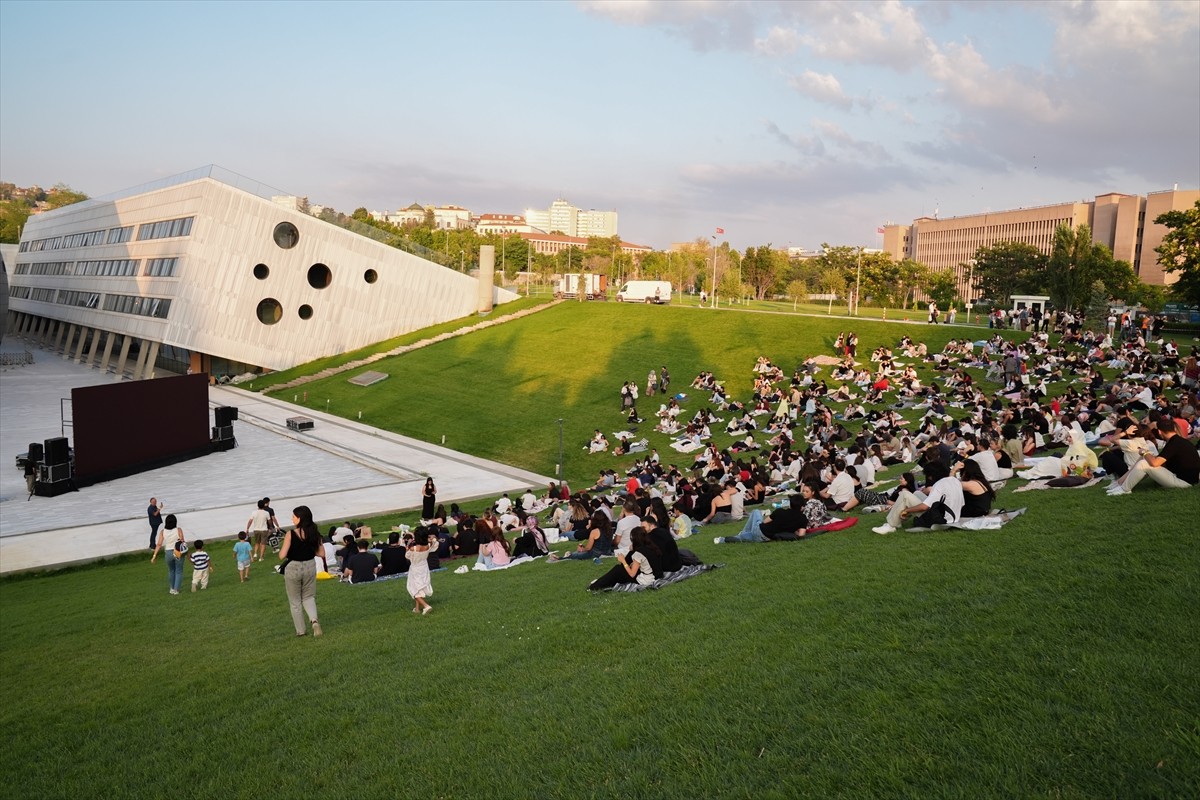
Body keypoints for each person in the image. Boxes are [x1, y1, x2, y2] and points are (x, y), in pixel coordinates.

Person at [1108, 417, 1200, 495]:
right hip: (1188, 478)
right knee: (1145, 460)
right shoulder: (1177, 441)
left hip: (1184, 482)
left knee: (1144, 464)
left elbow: (1155, 463)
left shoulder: (1174, 443)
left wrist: (1145, 453)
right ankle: (1121, 483)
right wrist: (1147, 456)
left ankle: (1125, 489)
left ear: (1159, 432)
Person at [872, 461, 964, 534]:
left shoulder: (939, 485)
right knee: (916, 493)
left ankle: (891, 525)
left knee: (905, 495)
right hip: (952, 517)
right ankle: (898, 519)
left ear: (930, 476)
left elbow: (924, 507)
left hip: (940, 520)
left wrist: (907, 510)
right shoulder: (955, 481)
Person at [279, 505, 323, 637]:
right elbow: (321, 553)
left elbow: (282, 555)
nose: (292, 519)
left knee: (295, 601)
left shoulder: (291, 534)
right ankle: (314, 621)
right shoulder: (314, 533)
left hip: (293, 567)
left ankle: (301, 631)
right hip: (310, 565)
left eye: (294, 516)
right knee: (309, 597)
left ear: (300, 519)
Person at [587, 528, 660, 591]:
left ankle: (594, 586)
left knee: (618, 570)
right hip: (652, 576)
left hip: (644, 580)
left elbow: (632, 574)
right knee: (619, 571)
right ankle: (600, 582)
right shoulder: (651, 547)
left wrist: (623, 561)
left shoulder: (639, 553)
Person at [150, 513, 186, 595]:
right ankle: (176, 589)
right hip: (178, 552)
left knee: (171, 571)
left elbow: (159, 544)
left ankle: (172, 588)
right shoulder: (178, 530)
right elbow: (182, 541)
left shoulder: (163, 532)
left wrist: (154, 556)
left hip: (168, 553)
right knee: (179, 571)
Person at [406, 526, 435, 615]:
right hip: (424, 567)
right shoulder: (428, 545)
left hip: (415, 569)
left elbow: (407, 556)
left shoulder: (413, 548)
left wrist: (407, 546)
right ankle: (417, 609)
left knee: (413, 588)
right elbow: (434, 542)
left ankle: (426, 606)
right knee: (419, 587)